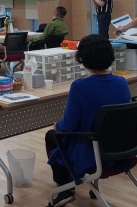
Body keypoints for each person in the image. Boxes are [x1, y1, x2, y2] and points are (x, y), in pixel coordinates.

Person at [45, 35, 131, 206]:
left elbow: (69, 126)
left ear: (83, 59)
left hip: (90, 151)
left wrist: (57, 125)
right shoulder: (121, 82)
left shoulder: (79, 86)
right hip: (121, 148)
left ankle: (65, 188)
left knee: (51, 135)